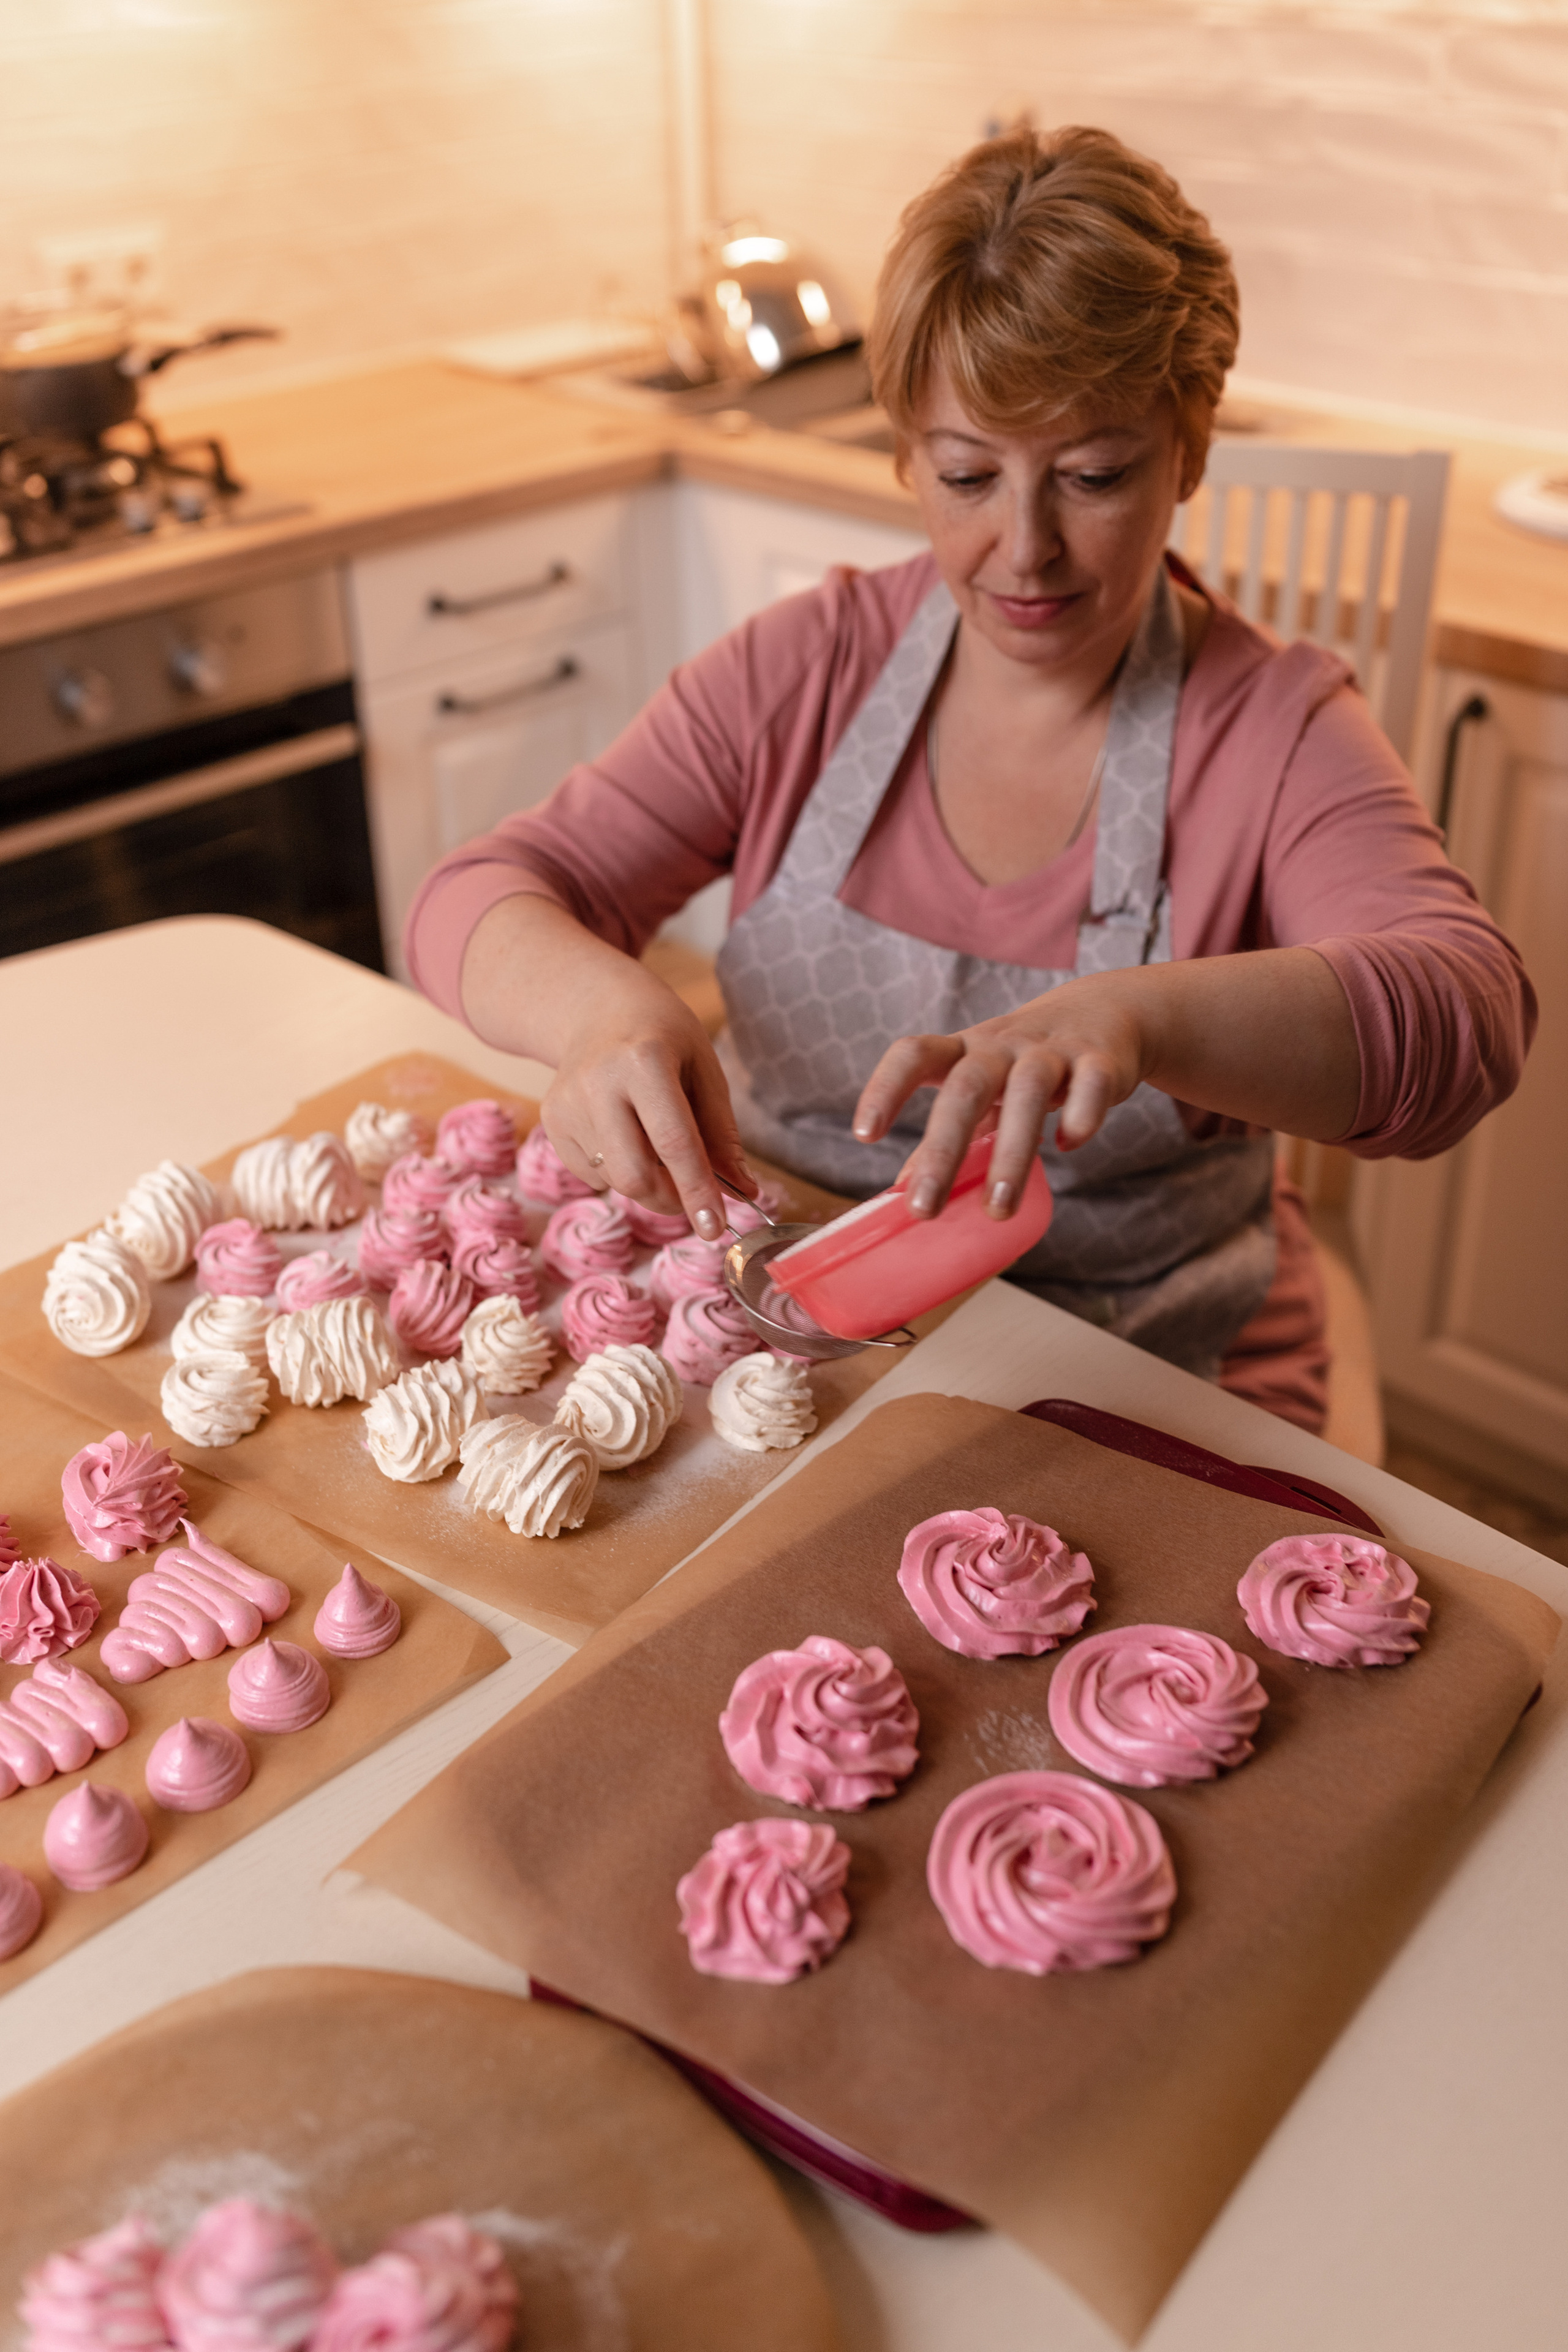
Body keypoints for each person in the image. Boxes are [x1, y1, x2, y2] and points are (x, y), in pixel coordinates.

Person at [406, 124, 1533, 1434]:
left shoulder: (1273, 731)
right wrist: (597, 1015)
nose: (1025, 548)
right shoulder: (804, 672)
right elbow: (484, 890)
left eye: (1094, 476)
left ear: (1189, 450)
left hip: (1134, 1360)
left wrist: (1144, 1022)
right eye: (966, 476)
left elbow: (1466, 1019)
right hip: (797, 1341)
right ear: (904, 457)